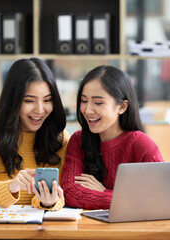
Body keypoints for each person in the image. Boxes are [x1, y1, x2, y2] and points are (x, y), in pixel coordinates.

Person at [0, 58, 69, 211]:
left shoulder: (59, 137)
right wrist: (11, 187)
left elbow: (64, 194)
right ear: (13, 101)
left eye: (47, 100)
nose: (39, 110)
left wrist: (48, 202)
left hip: (41, 231)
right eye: (29, 101)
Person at [60, 65, 164, 210]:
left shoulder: (141, 144)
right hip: (89, 230)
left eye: (98, 103)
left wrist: (104, 192)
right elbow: (69, 192)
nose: (88, 110)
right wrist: (122, 199)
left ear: (122, 107)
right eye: (84, 101)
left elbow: (160, 198)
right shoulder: (78, 140)